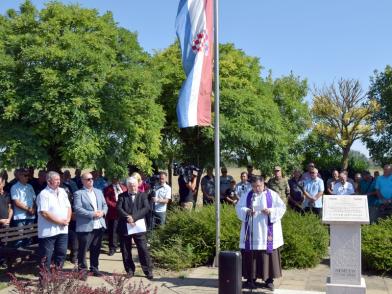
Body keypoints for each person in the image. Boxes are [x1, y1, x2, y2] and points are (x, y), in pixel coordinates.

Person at [236, 177, 286, 290]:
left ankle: (269, 280)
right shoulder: (248, 195)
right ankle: (250, 279)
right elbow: (239, 207)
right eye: (254, 186)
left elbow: (282, 207)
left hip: (267, 231)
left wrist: (270, 211)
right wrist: (247, 211)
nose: (256, 189)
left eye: (258, 186)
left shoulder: (272, 194)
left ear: (263, 184)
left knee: (267, 254)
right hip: (252, 231)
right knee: (250, 254)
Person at [116, 177, 153, 279]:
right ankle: (129, 270)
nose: (133, 187)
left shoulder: (143, 195)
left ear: (138, 185)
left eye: (135, 185)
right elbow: (118, 208)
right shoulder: (122, 196)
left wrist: (134, 218)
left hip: (138, 226)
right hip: (125, 226)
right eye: (131, 186)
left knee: (143, 249)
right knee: (125, 249)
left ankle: (147, 270)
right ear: (127, 186)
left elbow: (146, 208)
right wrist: (128, 217)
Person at [74, 172, 108, 277]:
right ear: (83, 181)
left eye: (92, 179)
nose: (91, 181)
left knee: (96, 249)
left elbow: (105, 205)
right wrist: (92, 214)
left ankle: (94, 268)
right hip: (86, 226)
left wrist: (103, 212)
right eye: (88, 179)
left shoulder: (98, 192)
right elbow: (78, 209)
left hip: (99, 225)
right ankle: (82, 271)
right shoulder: (78, 193)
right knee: (83, 250)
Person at [36, 171, 71, 270]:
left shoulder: (63, 191)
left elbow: (68, 207)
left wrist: (67, 219)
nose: (58, 181)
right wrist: (60, 222)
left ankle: (57, 276)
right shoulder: (44, 194)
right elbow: (44, 213)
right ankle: (44, 279)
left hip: (63, 230)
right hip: (48, 231)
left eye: (59, 179)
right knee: (46, 257)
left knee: (62, 253)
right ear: (49, 181)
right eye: (56, 180)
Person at [11, 168, 37, 247]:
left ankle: (27, 255)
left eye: (28, 175)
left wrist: (33, 209)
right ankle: (18, 256)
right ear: (19, 176)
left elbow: (34, 199)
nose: (27, 177)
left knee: (29, 236)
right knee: (20, 236)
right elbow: (16, 202)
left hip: (31, 216)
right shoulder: (15, 187)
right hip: (20, 217)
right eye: (25, 175)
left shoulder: (30, 186)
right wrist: (28, 209)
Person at [104, 176, 127, 256]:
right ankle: (112, 248)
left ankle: (122, 246)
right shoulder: (108, 189)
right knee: (113, 231)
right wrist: (117, 207)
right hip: (113, 213)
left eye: (117, 178)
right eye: (114, 178)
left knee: (123, 231)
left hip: (123, 213)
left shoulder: (123, 187)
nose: (116, 179)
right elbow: (107, 200)